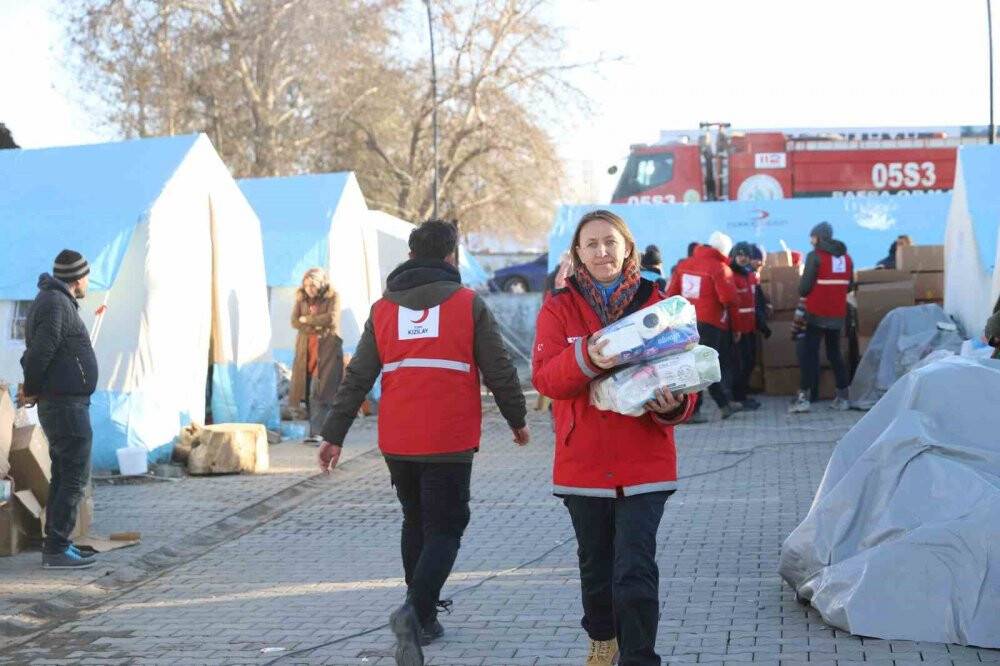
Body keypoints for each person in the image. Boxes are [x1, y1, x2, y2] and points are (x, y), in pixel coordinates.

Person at [317, 220, 529, 666]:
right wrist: (517, 420)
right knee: (447, 526)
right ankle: (414, 613)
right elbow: (499, 369)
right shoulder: (468, 304)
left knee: (416, 520)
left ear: (411, 256)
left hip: (398, 438)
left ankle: (424, 620)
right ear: (451, 257)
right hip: (448, 437)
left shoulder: (382, 309)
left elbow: (358, 377)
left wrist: (333, 434)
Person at [533, 209, 696, 666]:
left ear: (628, 248)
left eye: (610, 242)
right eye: (592, 244)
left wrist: (675, 406)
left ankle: (640, 656)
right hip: (582, 464)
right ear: (578, 254)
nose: (602, 251)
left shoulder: (658, 305)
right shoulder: (558, 308)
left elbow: (685, 372)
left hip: (645, 463)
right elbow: (546, 381)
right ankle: (603, 637)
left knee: (635, 569)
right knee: (597, 568)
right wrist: (589, 355)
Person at [20, 250, 98, 569]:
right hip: (65, 405)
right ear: (78, 278)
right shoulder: (55, 303)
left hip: (65, 403)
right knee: (74, 475)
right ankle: (56, 548)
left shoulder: (55, 301)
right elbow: (40, 352)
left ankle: (58, 542)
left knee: (65, 473)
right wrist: (33, 388)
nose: (88, 282)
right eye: (87, 276)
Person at [667, 231, 740, 422]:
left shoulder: (684, 264)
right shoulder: (720, 268)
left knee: (693, 364)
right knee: (704, 365)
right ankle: (704, 408)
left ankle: (720, 404)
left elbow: (671, 294)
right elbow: (728, 299)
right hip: (710, 324)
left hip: (685, 322)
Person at [789, 222, 853, 413]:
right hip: (837, 314)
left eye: (812, 237)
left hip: (816, 313)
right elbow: (849, 286)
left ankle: (803, 398)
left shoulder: (814, 256)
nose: (811, 240)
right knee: (835, 354)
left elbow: (804, 288)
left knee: (810, 354)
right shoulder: (847, 258)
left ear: (819, 237)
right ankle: (843, 397)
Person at [288, 268, 343, 442]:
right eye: (306, 285)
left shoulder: (333, 297)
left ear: (321, 283)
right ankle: (316, 432)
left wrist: (308, 320)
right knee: (307, 390)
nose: (309, 288)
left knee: (320, 390)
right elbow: (295, 321)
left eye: (312, 284)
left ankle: (320, 433)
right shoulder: (301, 299)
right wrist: (314, 323)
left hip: (326, 348)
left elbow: (332, 319)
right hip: (306, 349)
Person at [728, 243, 760, 410]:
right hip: (737, 329)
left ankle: (743, 393)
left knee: (749, 361)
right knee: (740, 364)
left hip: (750, 327)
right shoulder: (731, 275)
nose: (742, 257)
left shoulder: (750, 275)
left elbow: (756, 300)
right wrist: (735, 328)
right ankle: (738, 397)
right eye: (739, 254)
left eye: (745, 254)